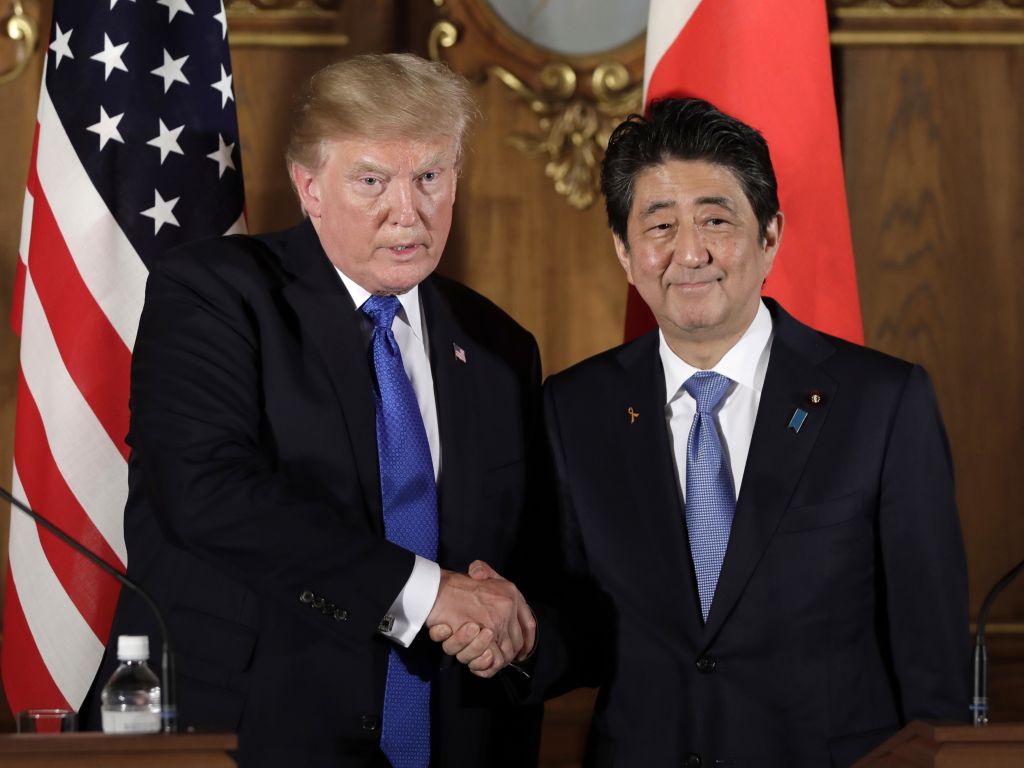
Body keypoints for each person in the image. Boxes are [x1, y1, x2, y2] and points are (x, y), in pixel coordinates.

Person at [84, 54, 545, 768]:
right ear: (310, 188)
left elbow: (529, 554)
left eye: (430, 177)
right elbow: (207, 493)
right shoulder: (213, 294)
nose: (408, 211)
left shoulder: (499, 346)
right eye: (372, 181)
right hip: (249, 740)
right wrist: (427, 596)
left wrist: (508, 629)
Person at [536, 98, 969, 767]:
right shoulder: (576, 408)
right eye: (660, 225)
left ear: (769, 236)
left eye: (716, 219)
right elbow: (572, 626)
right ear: (625, 252)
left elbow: (932, 656)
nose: (690, 252)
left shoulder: (881, 403)